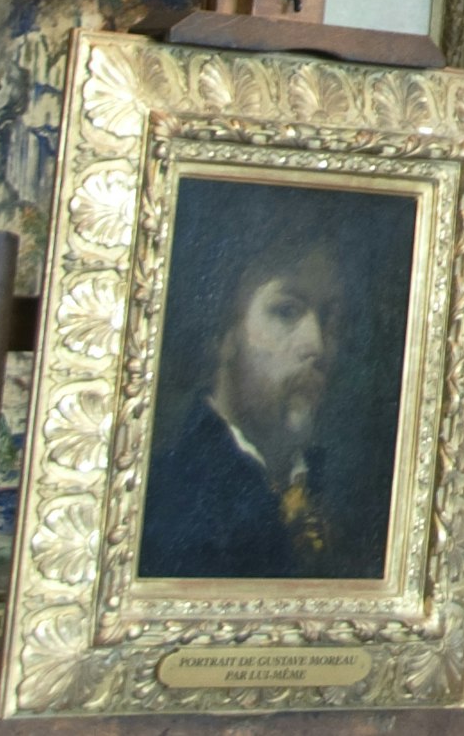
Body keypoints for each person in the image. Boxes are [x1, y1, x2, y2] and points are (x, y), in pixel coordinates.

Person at [138, 228, 375, 580]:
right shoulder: (167, 499)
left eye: (329, 319)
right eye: (286, 311)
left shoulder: (338, 498)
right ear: (223, 335)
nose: (317, 345)